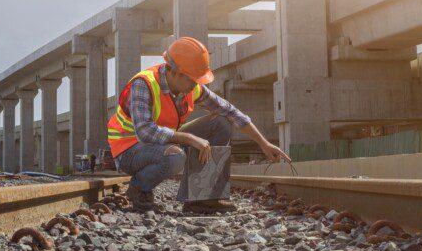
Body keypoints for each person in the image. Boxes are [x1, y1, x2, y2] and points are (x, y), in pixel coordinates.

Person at [107, 36, 290, 213]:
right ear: (176, 72)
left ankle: (202, 198)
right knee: (175, 157)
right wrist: (189, 138)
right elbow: (144, 132)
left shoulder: (190, 88)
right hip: (129, 150)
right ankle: (139, 188)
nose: (196, 85)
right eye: (193, 79)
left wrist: (263, 143)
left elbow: (230, 110)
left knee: (220, 122)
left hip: (162, 142)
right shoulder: (144, 84)